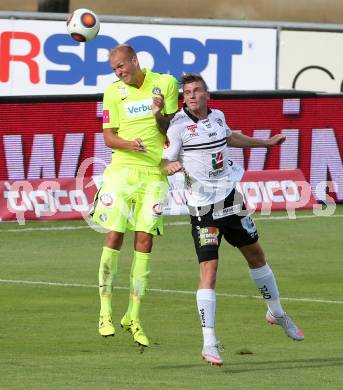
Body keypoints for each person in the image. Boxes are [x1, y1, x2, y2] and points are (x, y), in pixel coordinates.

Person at [162, 73, 304, 366]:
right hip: (203, 209)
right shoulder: (178, 127)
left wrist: (264, 143)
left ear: (207, 94)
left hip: (231, 200)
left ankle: (276, 312)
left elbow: (230, 137)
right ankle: (209, 342)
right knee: (209, 271)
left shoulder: (218, 117)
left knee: (257, 256)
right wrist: (171, 165)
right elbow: (164, 161)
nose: (190, 95)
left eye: (196, 90)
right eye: (186, 92)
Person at [91, 44, 179, 347]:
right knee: (114, 235)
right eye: (114, 69)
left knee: (145, 240)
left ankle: (133, 315)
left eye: (121, 66)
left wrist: (158, 112)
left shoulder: (165, 83)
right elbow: (108, 136)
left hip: (154, 174)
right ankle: (104, 312)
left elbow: (170, 127)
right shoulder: (113, 92)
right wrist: (130, 145)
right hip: (121, 172)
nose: (119, 72)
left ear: (134, 60)